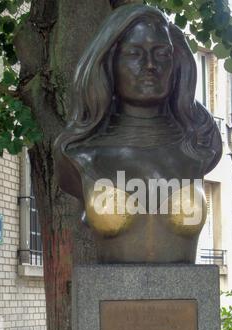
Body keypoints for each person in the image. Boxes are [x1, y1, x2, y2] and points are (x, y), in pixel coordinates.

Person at [53, 4, 222, 263]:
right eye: (135, 53)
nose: (150, 65)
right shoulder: (78, 155)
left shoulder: (200, 148)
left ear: (175, 62)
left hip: (187, 297)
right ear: (110, 62)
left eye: (162, 53)